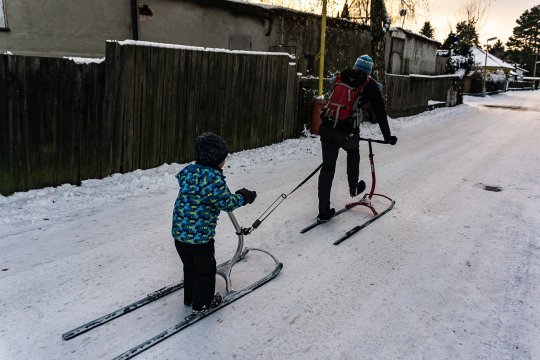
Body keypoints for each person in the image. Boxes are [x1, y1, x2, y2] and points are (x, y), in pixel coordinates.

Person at [171, 132, 257, 312]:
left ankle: (190, 296)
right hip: (200, 239)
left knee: (190, 267)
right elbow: (227, 203)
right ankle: (203, 303)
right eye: (223, 158)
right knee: (206, 270)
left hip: (179, 235)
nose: (224, 161)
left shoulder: (189, 173)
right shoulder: (212, 179)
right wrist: (244, 197)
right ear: (216, 159)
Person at [317, 54, 397, 222]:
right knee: (353, 152)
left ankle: (323, 212)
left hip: (327, 128)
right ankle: (353, 188)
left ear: (355, 66)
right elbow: (381, 113)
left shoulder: (341, 77)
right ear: (369, 71)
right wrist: (388, 137)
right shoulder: (369, 84)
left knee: (327, 169)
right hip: (346, 132)